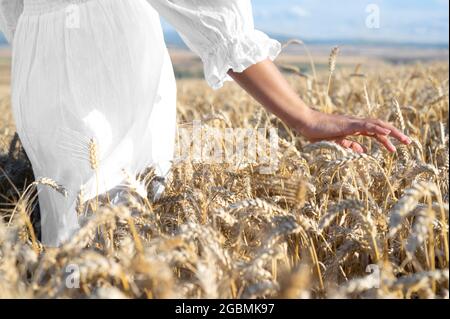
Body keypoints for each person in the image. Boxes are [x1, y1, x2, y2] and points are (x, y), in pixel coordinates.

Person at [0, 0, 411, 247]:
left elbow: (15, 13)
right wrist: (302, 115)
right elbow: (212, 15)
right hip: (104, 64)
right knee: (108, 236)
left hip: (41, 62)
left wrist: (38, 43)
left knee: (76, 234)